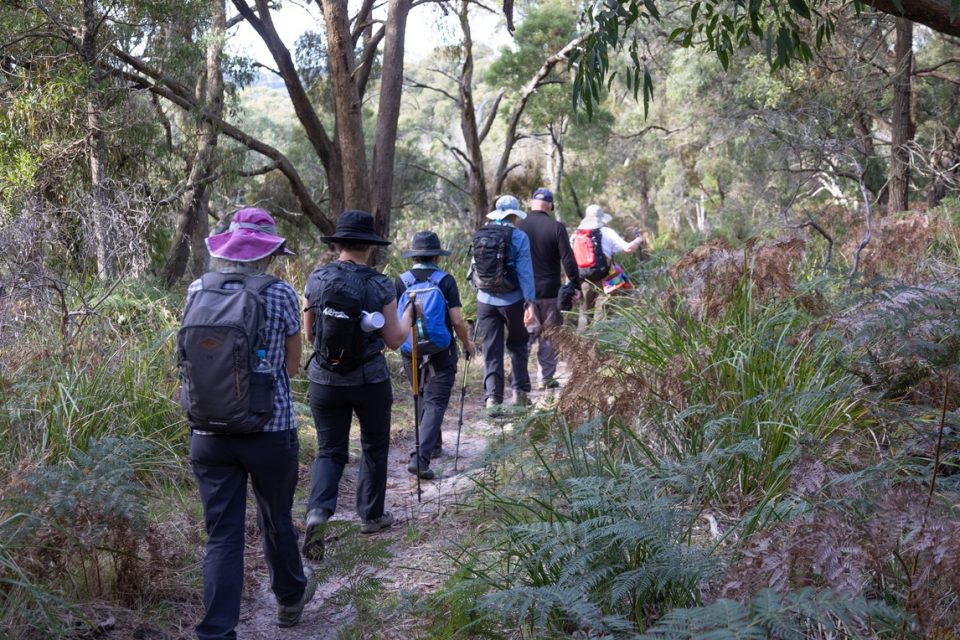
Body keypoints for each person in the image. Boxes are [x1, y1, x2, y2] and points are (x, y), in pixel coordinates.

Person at [184, 208, 314, 637]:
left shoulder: (197, 288)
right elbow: (292, 367)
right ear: (267, 254)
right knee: (276, 518)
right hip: (268, 430)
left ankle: (216, 633)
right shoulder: (280, 293)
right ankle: (291, 599)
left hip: (208, 431)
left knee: (222, 536)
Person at [302, 210, 412, 562]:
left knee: (329, 450)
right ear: (370, 247)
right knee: (374, 446)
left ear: (338, 244)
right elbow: (394, 339)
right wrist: (410, 316)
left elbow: (309, 335)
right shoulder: (380, 283)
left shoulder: (316, 279)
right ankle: (371, 516)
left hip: (324, 380)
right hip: (369, 379)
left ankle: (318, 511)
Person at [395, 230, 476, 479]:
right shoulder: (445, 280)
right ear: (437, 258)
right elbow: (457, 319)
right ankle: (420, 458)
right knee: (436, 401)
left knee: (420, 395)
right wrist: (468, 343)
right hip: (441, 348)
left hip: (410, 349)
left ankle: (434, 445)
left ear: (414, 257)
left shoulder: (401, 281)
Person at [471, 195, 536, 408]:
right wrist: (530, 302)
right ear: (514, 215)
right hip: (513, 301)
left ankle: (492, 400)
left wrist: (479, 291)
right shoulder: (519, 236)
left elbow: (472, 270)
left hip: (485, 300)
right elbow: (525, 271)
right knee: (517, 345)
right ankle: (520, 395)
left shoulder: (482, 233)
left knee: (491, 348)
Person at [517, 187, 580, 389]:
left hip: (524, 295)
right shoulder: (556, 227)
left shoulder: (518, 226)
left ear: (531, 203)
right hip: (550, 292)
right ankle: (546, 379)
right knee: (549, 336)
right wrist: (575, 284)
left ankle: (519, 380)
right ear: (550, 206)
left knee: (525, 337)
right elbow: (568, 259)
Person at [576, 204, 645, 329]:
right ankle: (600, 342)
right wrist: (639, 240)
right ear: (601, 218)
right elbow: (628, 248)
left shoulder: (577, 235)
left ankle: (581, 345)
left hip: (584, 280)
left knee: (584, 314)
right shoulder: (607, 232)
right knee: (603, 313)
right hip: (608, 277)